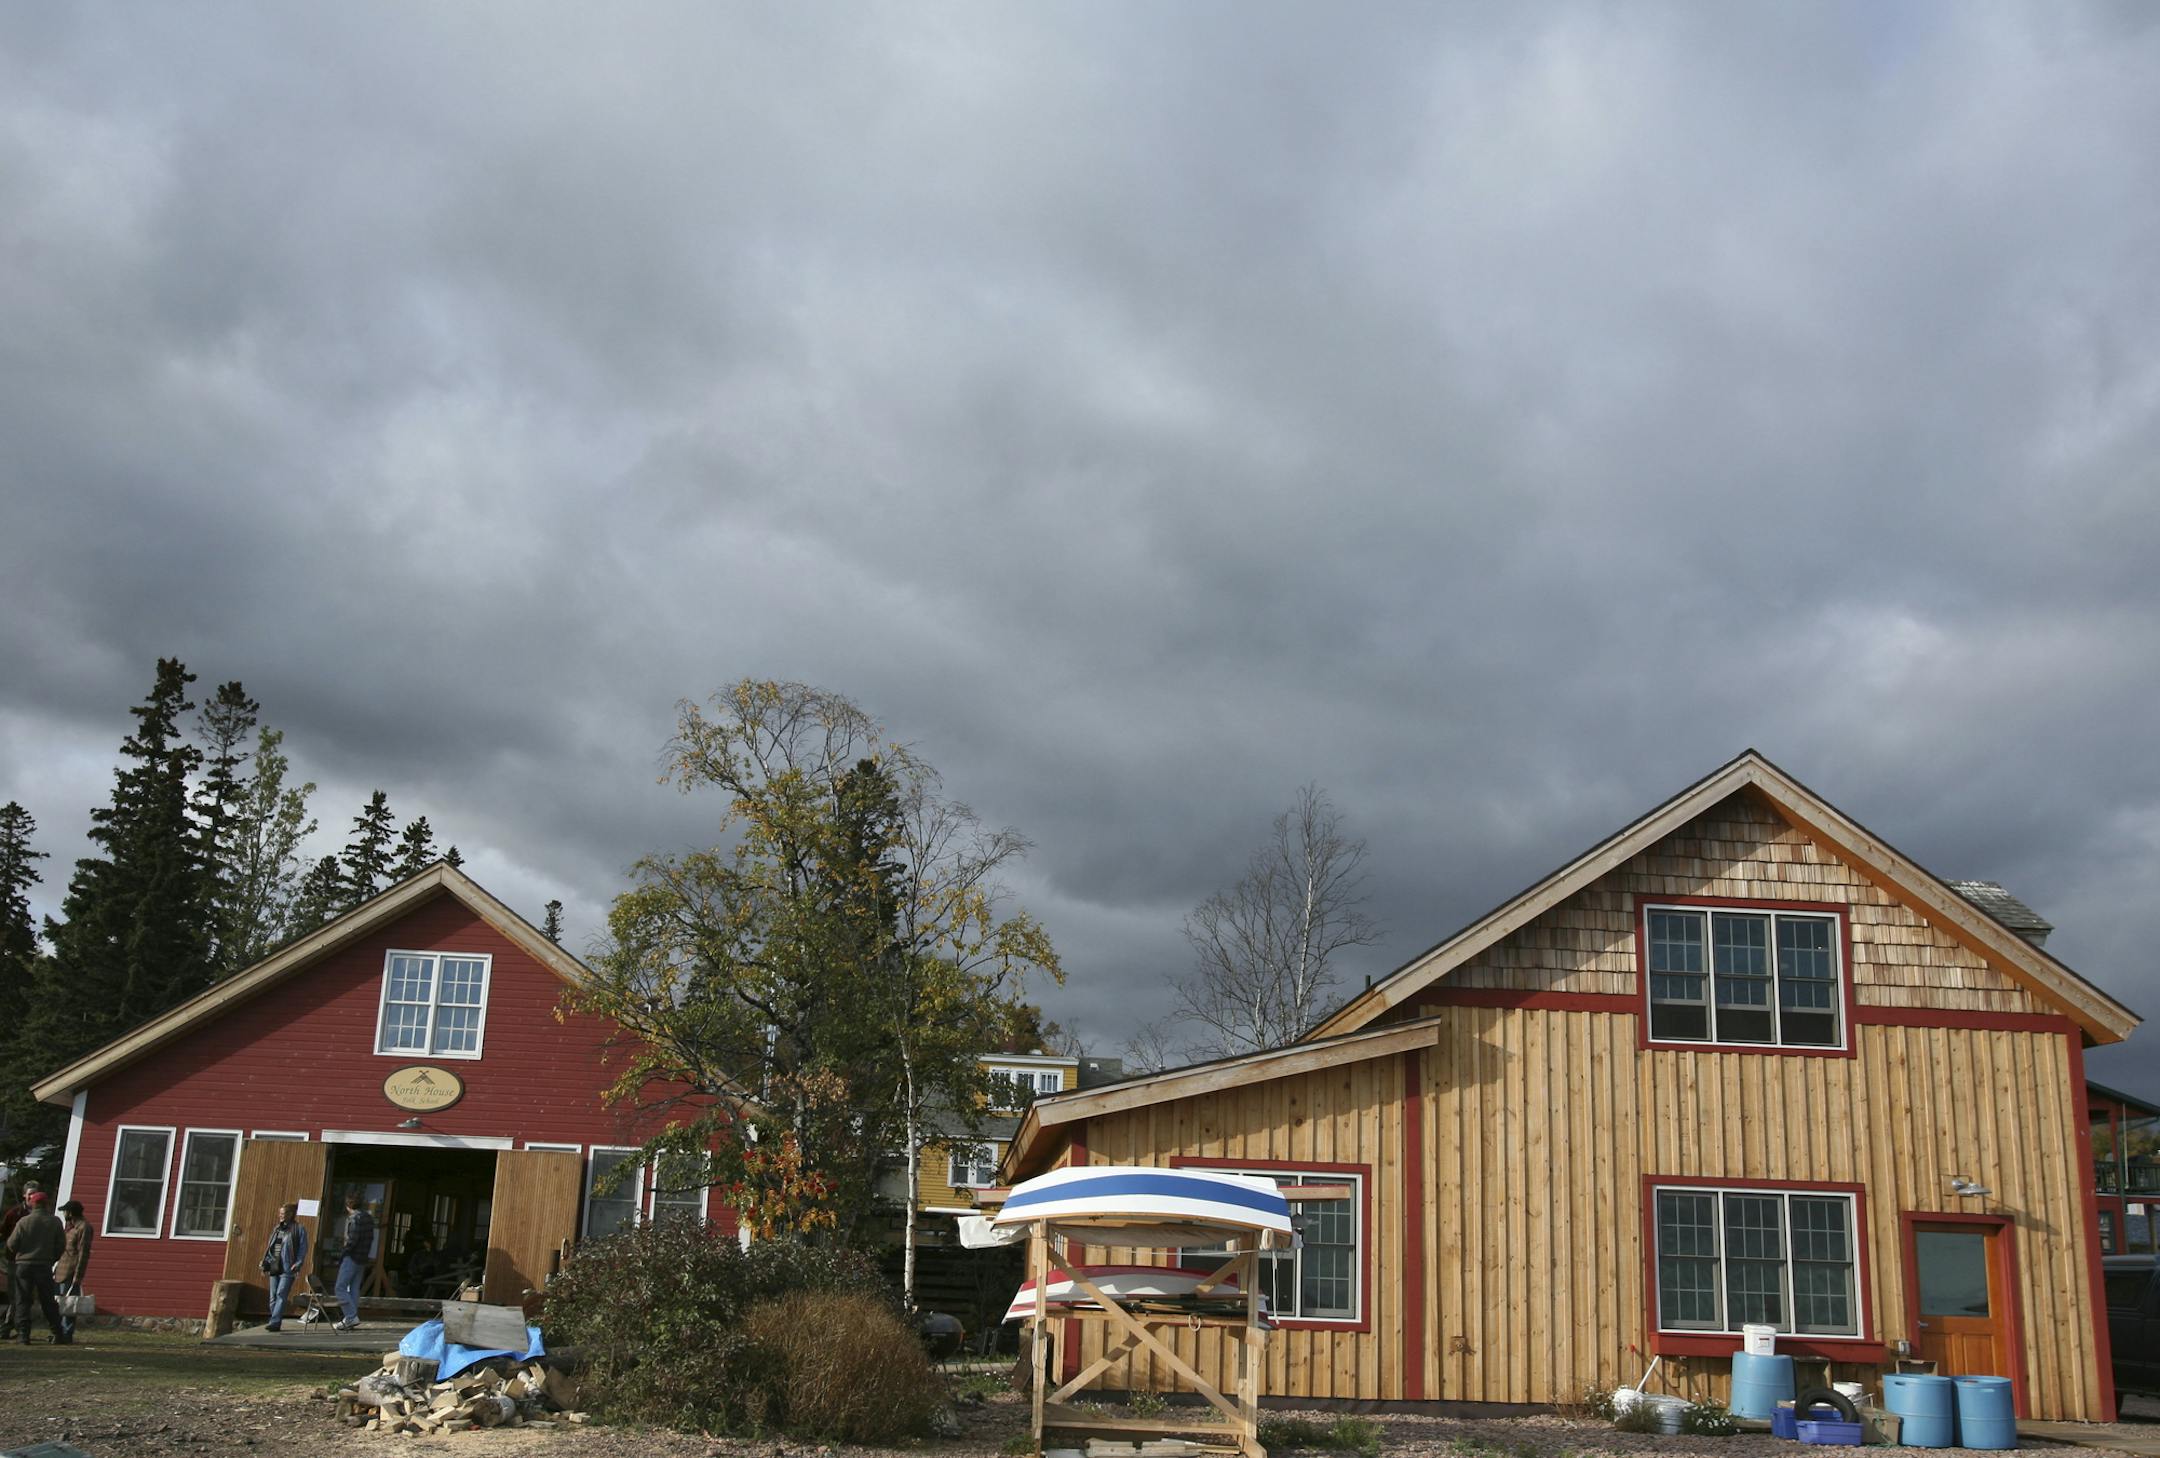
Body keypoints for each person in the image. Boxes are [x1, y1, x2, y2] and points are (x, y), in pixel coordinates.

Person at [6, 1189, 67, 1344]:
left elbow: (11, 1244)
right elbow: (61, 1245)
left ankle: (23, 1335)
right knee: (48, 1301)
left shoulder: (24, 1222)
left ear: (32, 1204)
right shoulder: (55, 1222)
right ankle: (57, 1332)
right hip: (44, 1265)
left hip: (24, 1265)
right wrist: (52, 1258)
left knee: (22, 1301)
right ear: (46, 1204)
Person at [259, 1202, 307, 1333]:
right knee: (273, 1296)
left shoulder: (299, 1229)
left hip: (288, 1267)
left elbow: (303, 1248)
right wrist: (265, 1262)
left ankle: (274, 1322)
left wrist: (298, 1263)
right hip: (275, 1265)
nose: (280, 1215)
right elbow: (271, 1247)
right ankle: (275, 1320)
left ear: (290, 1214)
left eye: (283, 1213)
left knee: (281, 1293)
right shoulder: (277, 1229)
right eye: (280, 1213)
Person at [333, 1190, 374, 1331]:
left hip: (352, 1256)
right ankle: (350, 1317)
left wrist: (343, 1253)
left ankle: (351, 1316)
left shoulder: (354, 1219)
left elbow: (352, 1240)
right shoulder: (368, 1218)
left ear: (348, 1205)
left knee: (340, 1287)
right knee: (354, 1288)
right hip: (363, 1257)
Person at [53, 1200, 92, 1341]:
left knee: (69, 1305)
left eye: (65, 1211)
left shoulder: (84, 1227)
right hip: (61, 1270)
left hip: (71, 1271)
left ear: (71, 1213)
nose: (64, 1214)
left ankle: (66, 1333)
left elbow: (83, 1253)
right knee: (59, 1304)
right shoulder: (69, 1227)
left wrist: (78, 1275)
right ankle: (58, 1332)